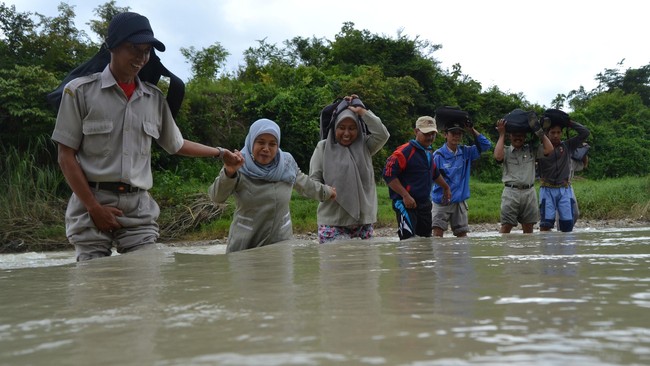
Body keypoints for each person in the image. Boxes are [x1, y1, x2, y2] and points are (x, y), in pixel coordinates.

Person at [51, 12, 242, 261]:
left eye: (147, 51)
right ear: (113, 46)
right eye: (134, 49)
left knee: (145, 279)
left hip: (138, 207)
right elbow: (66, 156)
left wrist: (219, 152)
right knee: (94, 285)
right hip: (92, 203)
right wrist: (93, 207)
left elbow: (176, 144)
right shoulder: (79, 92)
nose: (141, 58)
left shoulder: (154, 99)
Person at [209, 118, 336, 253]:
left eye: (272, 144)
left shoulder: (286, 163)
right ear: (251, 142)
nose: (266, 149)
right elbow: (217, 197)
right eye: (261, 142)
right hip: (246, 243)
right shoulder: (238, 163)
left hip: (280, 242)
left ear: (278, 145)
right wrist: (229, 171)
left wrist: (327, 192)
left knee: (279, 274)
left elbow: (305, 184)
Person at [309, 95, 390, 243]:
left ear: (358, 129)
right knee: (335, 263)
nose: (346, 133)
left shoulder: (365, 146)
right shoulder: (323, 147)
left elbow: (383, 134)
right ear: (334, 127)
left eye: (352, 128)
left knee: (363, 264)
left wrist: (363, 112)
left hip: (363, 223)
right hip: (332, 223)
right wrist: (325, 191)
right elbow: (313, 180)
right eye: (341, 128)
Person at [383, 116, 451, 240]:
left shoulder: (428, 152)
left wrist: (446, 188)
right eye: (426, 134)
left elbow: (434, 173)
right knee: (408, 240)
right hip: (406, 204)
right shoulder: (403, 152)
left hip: (424, 204)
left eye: (432, 134)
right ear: (416, 131)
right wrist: (405, 195)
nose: (430, 137)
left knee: (425, 240)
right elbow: (388, 175)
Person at [431, 112, 492, 237]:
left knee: (462, 237)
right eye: (453, 133)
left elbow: (486, 146)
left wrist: (471, 130)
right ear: (445, 134)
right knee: (437, 234)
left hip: (459, 202)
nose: (456, 136)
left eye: (459, 133)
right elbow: (431, 177)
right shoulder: (438, 156)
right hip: (441, 202)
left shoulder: (466, 152)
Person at [493, 111, 553, 233]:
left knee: (529, 229)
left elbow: (549, 149)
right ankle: (505, 252)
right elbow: (498, 157)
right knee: (505, 227)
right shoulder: (506, 151)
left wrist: (540, 134)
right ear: (510, 136)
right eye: (515, 135)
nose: (518, 137)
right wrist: (501, 134)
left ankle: (528, 252)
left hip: (529, 193)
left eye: (521, 135)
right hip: (511, 193)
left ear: (525, 137)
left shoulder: (532, 150)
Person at [536, 111, 590, 232]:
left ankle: (564, 249)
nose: (556, 135)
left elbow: (585, 132)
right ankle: (547, 249)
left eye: (558, 132)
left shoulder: (568, 146)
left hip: (564, 189)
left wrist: (569, 123)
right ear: (547, 133)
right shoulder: (539, 149)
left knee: (567, 225)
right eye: (552, 132)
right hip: (547, 189)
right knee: (546, 224)